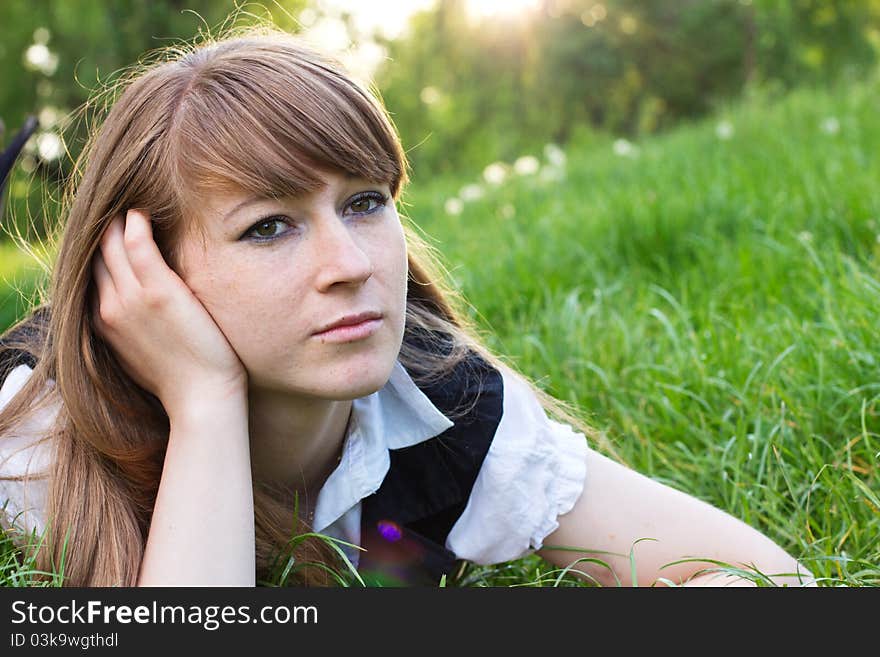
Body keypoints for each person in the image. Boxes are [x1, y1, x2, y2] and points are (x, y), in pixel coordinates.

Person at [0, 26, 814, 588]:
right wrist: (206, 403)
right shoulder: (37, 436)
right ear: (144, 274)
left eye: (363, 202)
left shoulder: (439, 402)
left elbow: (765, 576)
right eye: (269, 226)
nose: (350, 267)